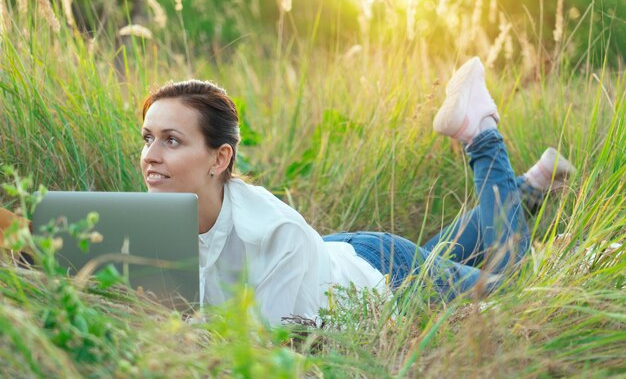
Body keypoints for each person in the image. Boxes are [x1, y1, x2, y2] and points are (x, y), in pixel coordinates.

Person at [138, 57, 575, 325]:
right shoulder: (144, 228)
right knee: (444, 262)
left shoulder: (271, 233)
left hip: (388, 277)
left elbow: (268, 349)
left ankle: (480, 130)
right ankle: (533, 186)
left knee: (516, 290)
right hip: (337, 256)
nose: (151, 155)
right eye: (147, 138)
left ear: (219, 159)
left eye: (171, 140)